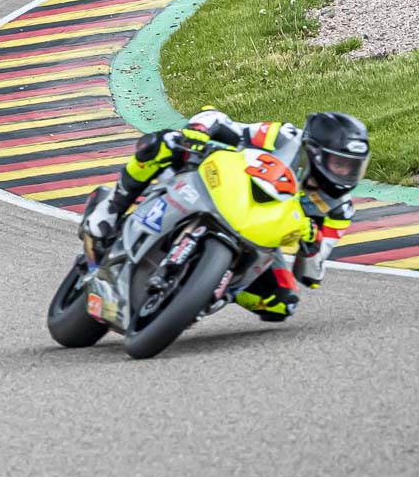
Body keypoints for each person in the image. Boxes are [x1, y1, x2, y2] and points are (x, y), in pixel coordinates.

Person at [79, 108, 371, 321]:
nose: (345, 173)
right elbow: (221, 121)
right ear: (315, 152)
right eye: (339, 164)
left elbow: (311, 272)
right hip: (223, 187)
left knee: (282, 303)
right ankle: (112, 207)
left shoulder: (339, 209)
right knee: (165, 143)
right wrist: (199, 130)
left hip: (261, 234)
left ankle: (213, 290)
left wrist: (312, 242)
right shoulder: (284, 137)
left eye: (352, 167)